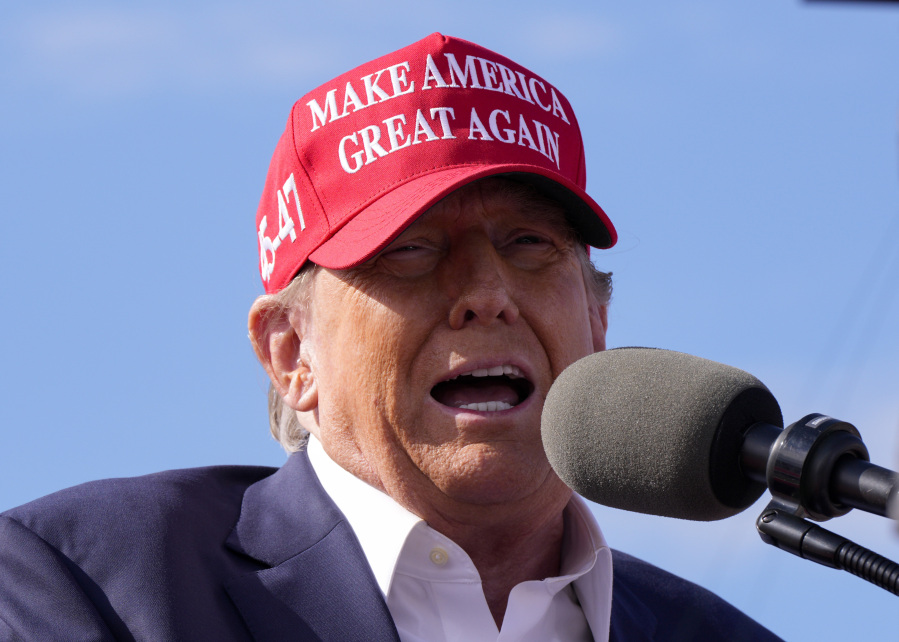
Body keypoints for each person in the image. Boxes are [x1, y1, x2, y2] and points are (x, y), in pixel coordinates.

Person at [0, 33, 782, 641]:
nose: (485, 295)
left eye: (528, 244)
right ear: (290, 353)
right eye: (409, 250)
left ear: (596, 322)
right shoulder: (82, 581)